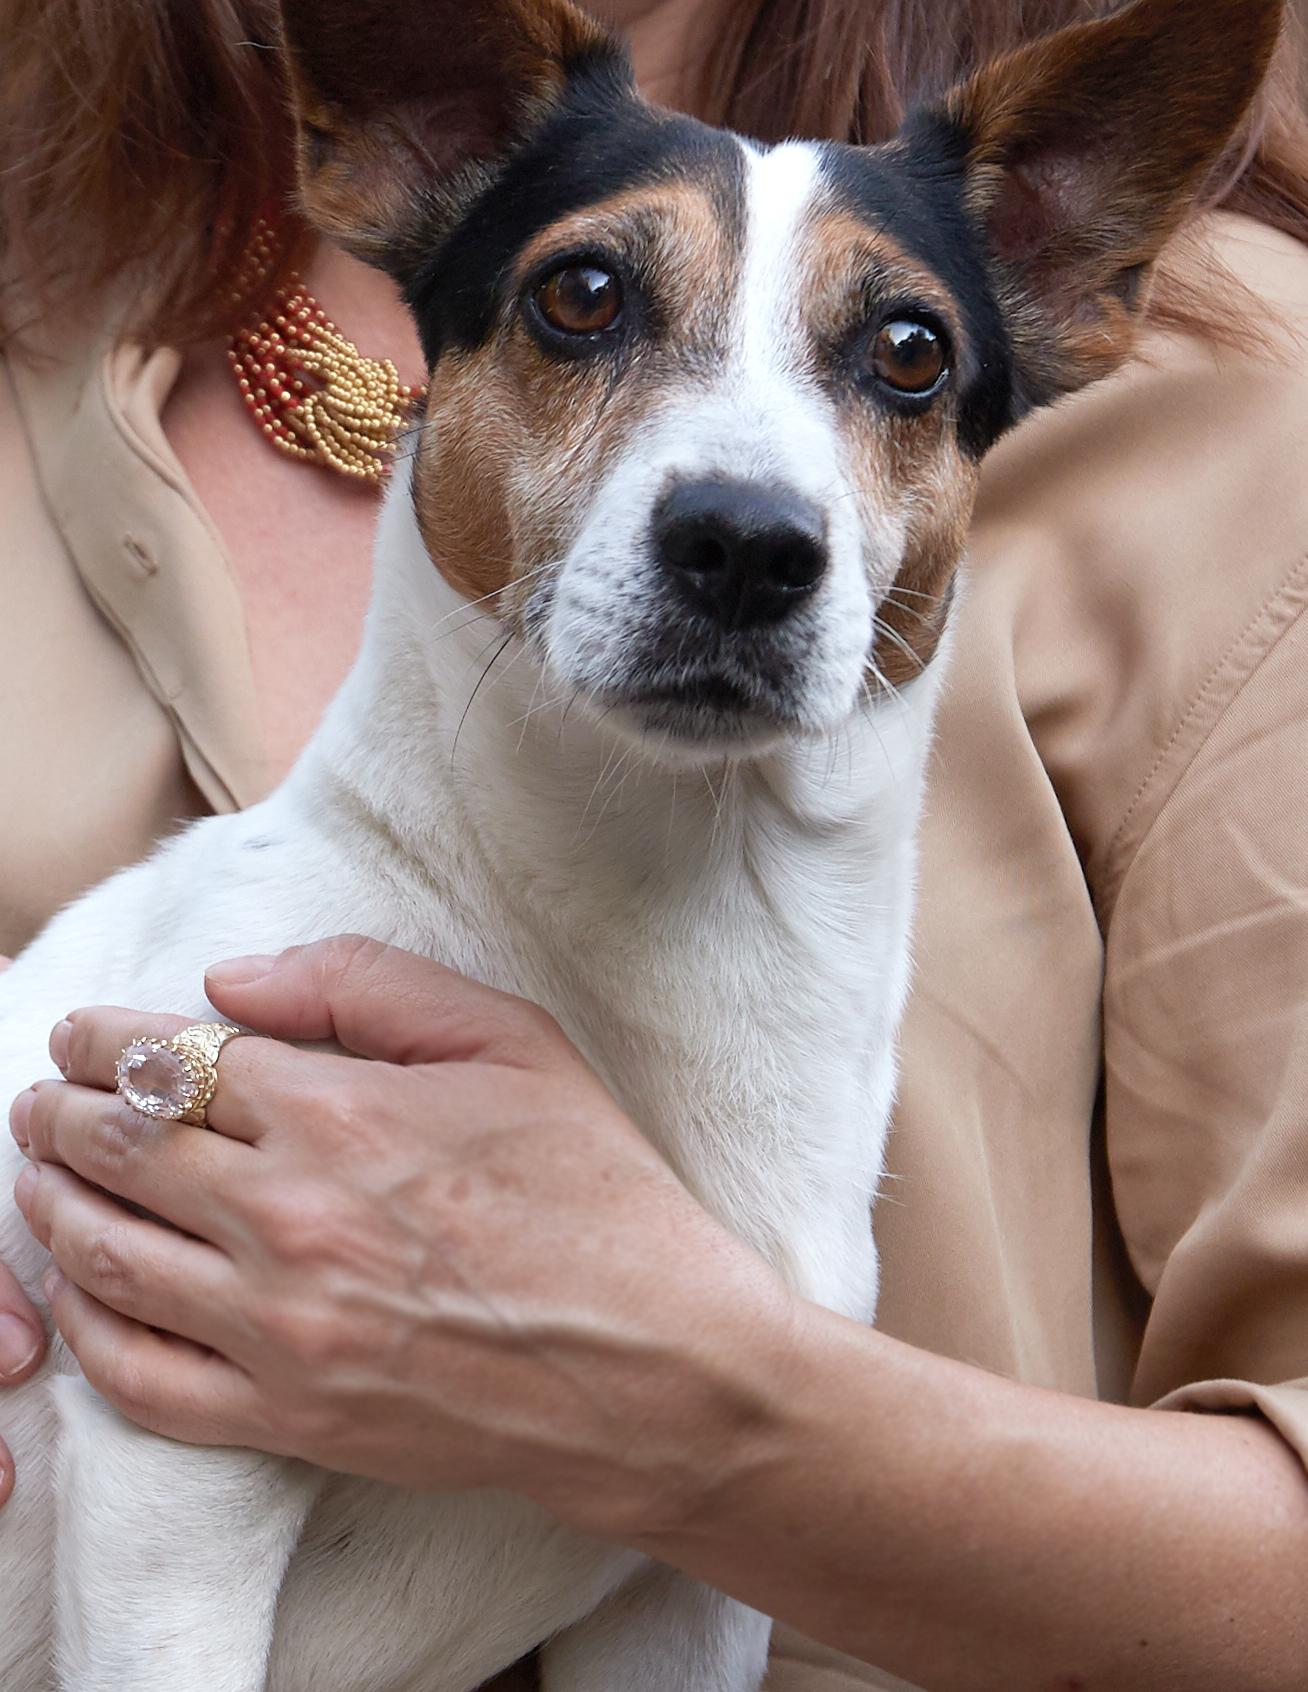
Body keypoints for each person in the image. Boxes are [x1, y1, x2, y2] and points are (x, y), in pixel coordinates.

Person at [4, 0, 1308, 1686]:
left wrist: (707, 1412)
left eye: (899, 358)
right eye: (591, 304)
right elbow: (166, 1438)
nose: (750, 507)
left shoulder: (1249, 416)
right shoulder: (49, 253)